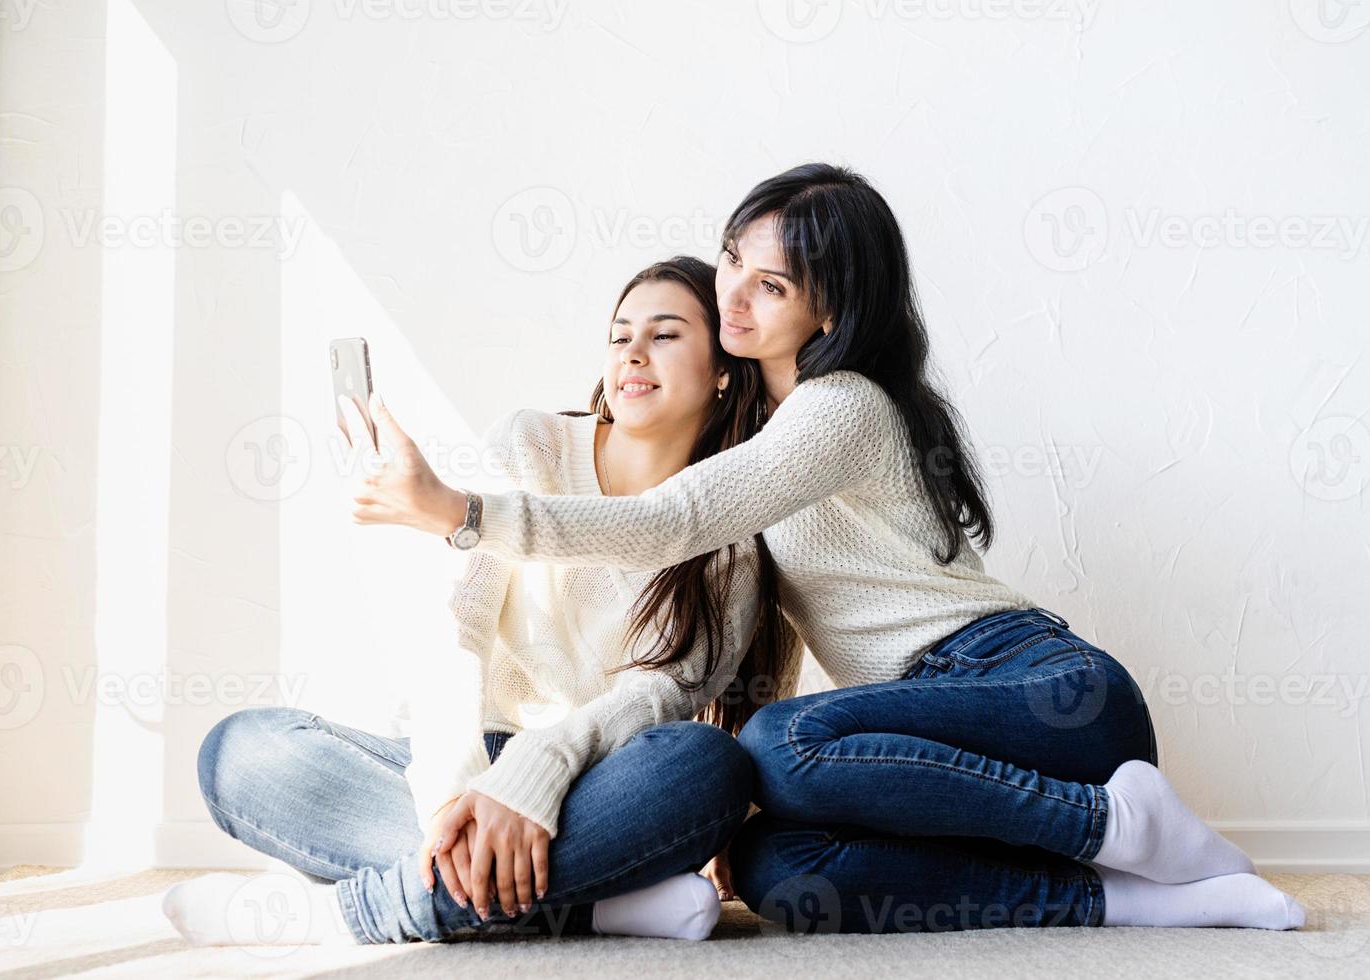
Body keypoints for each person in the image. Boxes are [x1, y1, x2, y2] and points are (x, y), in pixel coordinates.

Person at [347, 163, 1306, 933]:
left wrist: (458, 510)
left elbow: (669, 522)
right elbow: (769, 613)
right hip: (943, 713)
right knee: (779, 865)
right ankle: (1125, 896)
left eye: (772, 285)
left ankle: (1113, 823)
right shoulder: (762, 431)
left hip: (1039, 693)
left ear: (832, 312)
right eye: (732, 262)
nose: (736, 295)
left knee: (783, 741)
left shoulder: (839, 408)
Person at [161, 256, 800, 947]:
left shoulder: (729, 543)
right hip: (471, 753)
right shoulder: (533, 445)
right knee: (241, 752)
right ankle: (594, 905)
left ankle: (353, 913)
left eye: (665, 335)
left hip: (596, 782)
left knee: (705, 766)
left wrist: (532, 783)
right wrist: (453, 797)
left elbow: (654, 698)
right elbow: (454, 626)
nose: (633, 355)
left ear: (725, 369)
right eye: (620, 337)